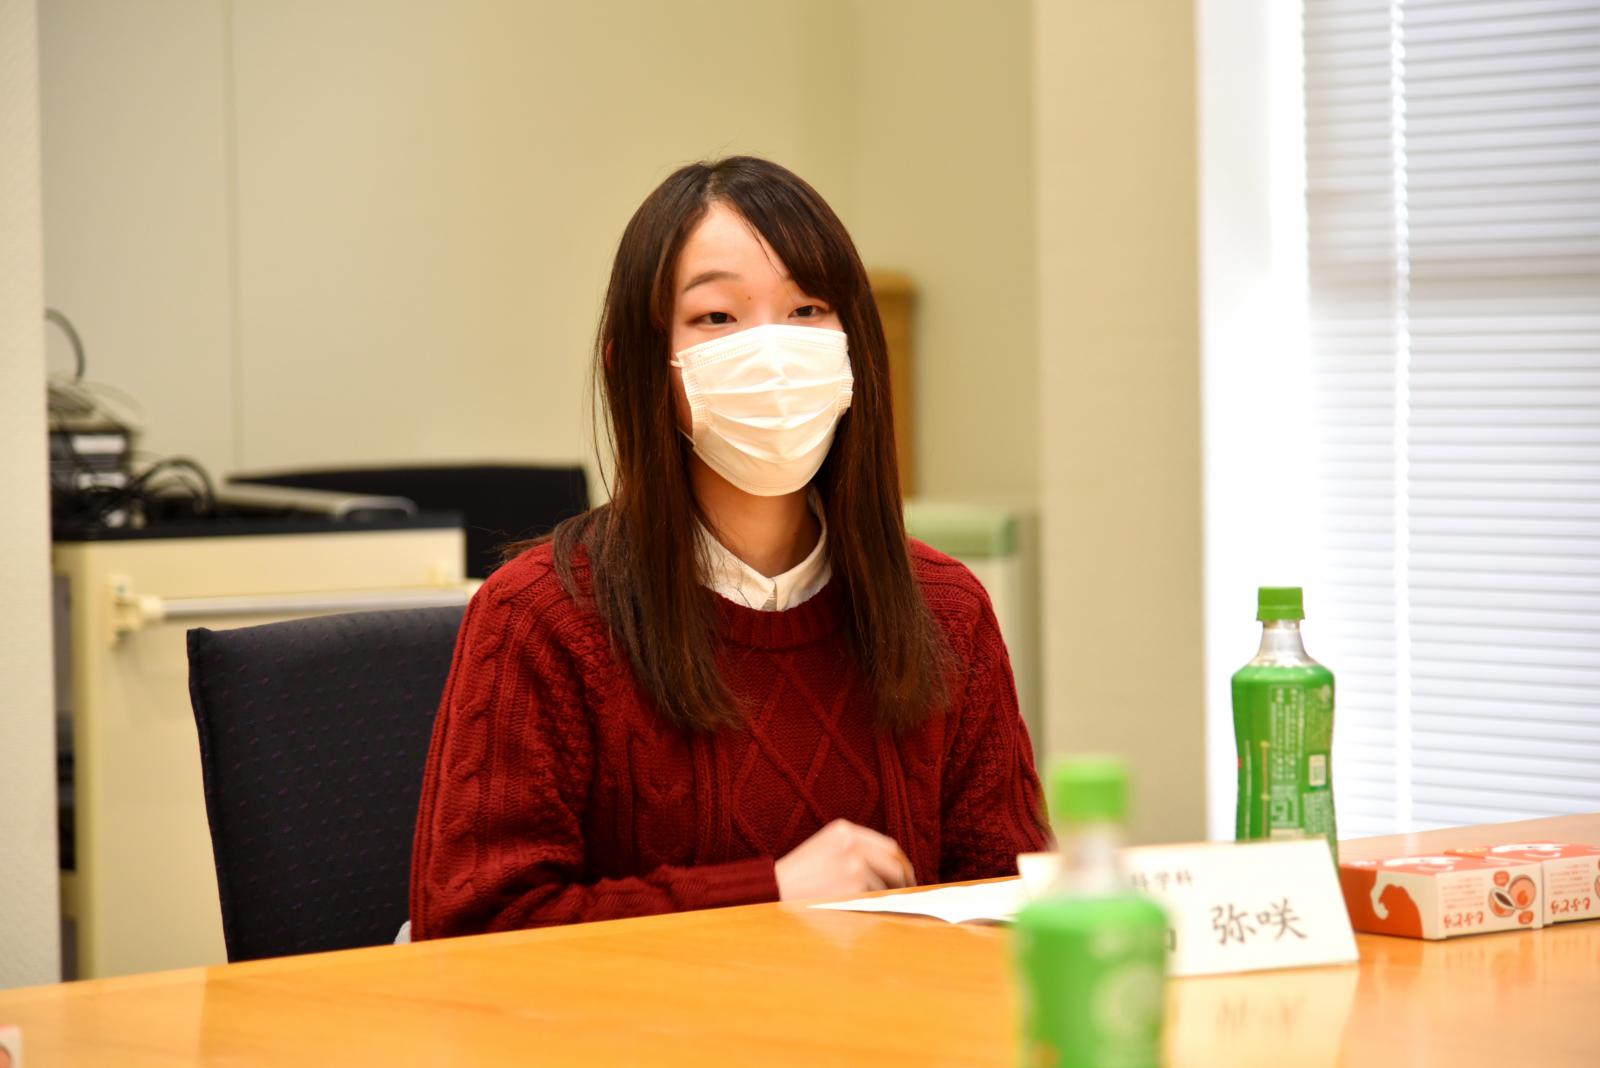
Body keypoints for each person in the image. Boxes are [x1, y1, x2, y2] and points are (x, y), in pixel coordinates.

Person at [408, 156, 1048, 939]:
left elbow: (1012, 906)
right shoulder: (540, 618)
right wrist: (769, 892)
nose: (773, 353)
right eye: (717, 317)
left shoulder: (945, 611)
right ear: (637, 363)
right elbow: (472, 928)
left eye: (807, 309)